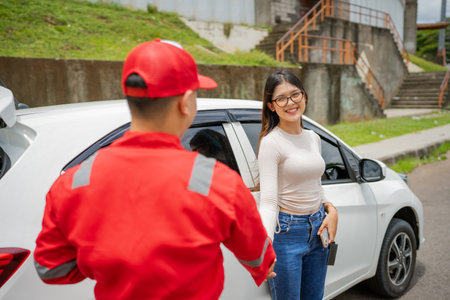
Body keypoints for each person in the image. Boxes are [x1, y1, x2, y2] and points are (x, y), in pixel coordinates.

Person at [34, 39, 276, 300]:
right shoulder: (218, 182)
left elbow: (51, 268)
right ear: (186, 102)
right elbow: (260, 257)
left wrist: (108, 255)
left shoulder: (74, 182)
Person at [258, 70, 338, 300]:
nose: (290, 103)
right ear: (272, 106)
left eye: (295, 95)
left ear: (304, 96)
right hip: (286, 233)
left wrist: (330, 208)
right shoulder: (272, 143)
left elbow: (316, 184)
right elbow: (269, 201)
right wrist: (267, 243)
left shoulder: (313, 137)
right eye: (281, 98)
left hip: (318, 229)